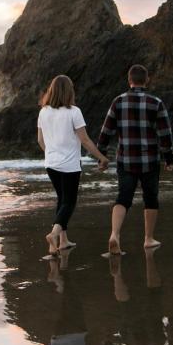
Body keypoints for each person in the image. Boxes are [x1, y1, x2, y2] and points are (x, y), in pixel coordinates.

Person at [97, 64, 173, 254]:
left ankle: (115, 234)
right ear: (146, 80)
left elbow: (106, 131)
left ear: (129, 80)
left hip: (126, 160)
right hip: (150, 160)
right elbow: (165, 133)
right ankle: (148, 239)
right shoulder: (155, 102)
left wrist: (101, 155)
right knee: (150, 198)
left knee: (123, 197)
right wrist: (169, 157)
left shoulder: (118, 102)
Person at [38, 75, 108, 255]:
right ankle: (54, 234)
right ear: (69, 91)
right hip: (69, 165)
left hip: (50, 163)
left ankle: (63, 240)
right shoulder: (73, 111)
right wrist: (101, 157)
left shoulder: (43, 111)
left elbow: (40, 140)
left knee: (62, 200)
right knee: (69, 201)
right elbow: (84, 140)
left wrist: (52, 152)